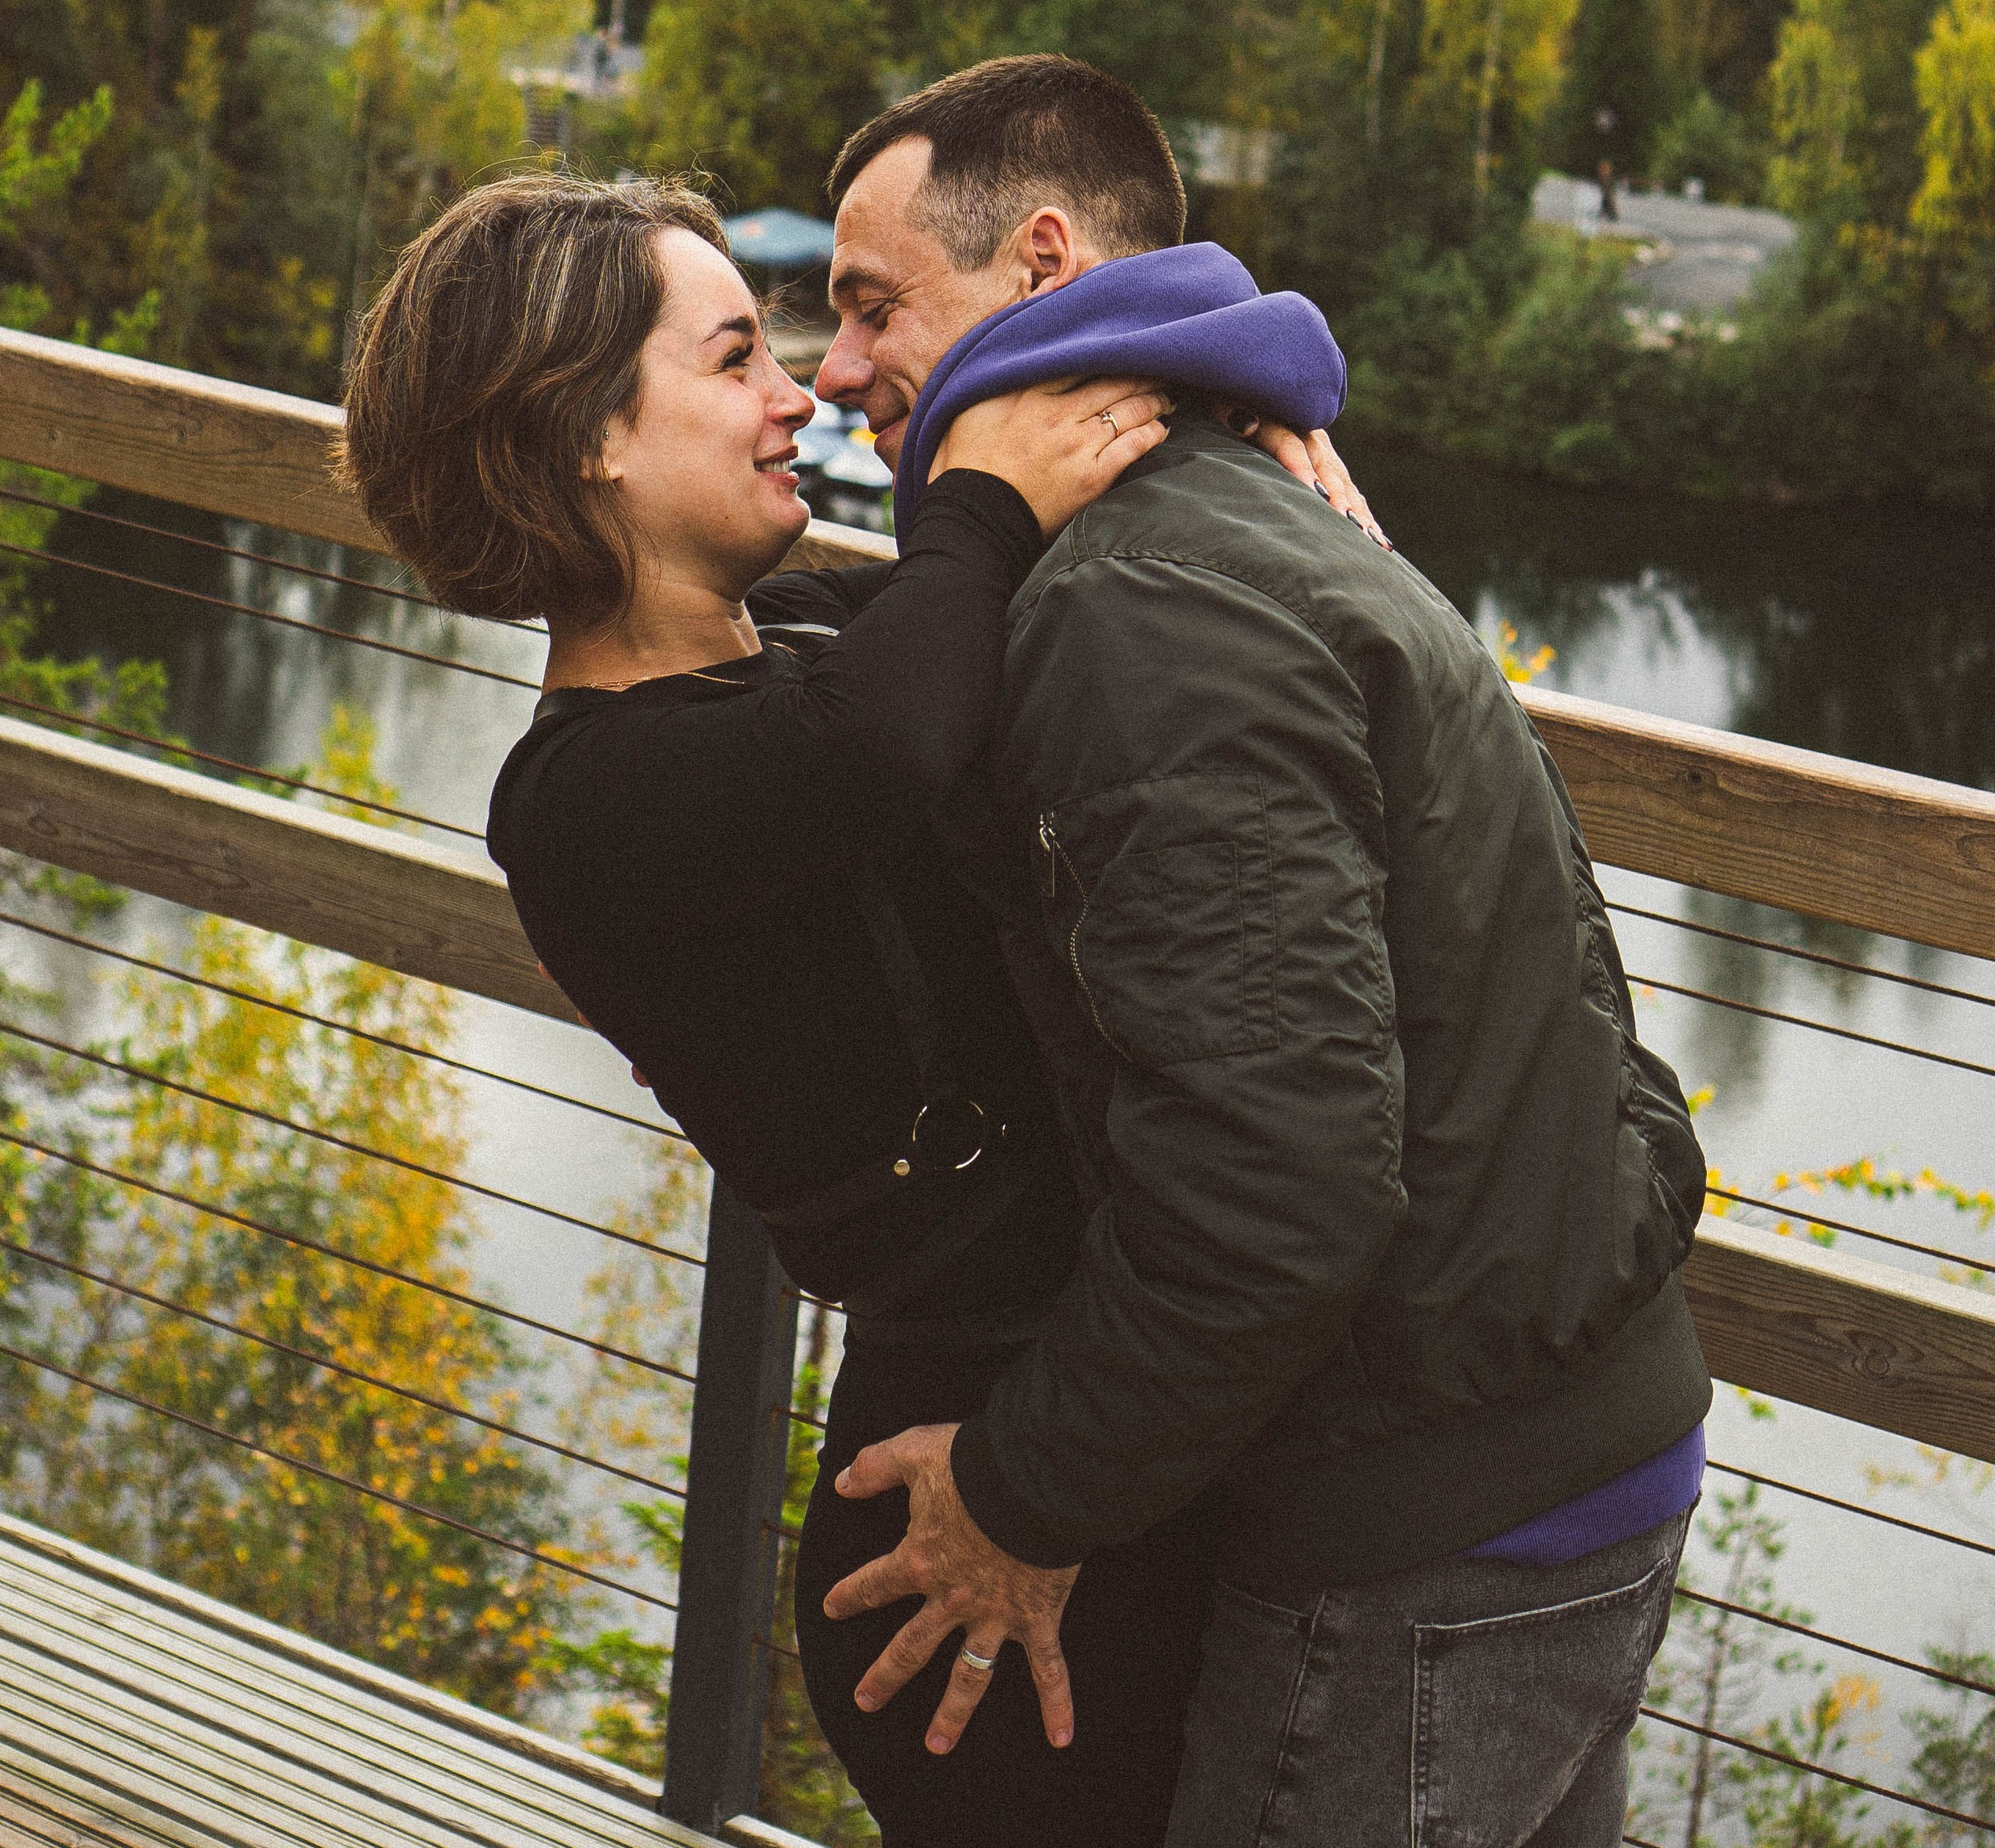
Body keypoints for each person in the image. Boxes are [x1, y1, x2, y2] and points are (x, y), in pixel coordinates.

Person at [337, 168, 1357, 1846]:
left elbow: (1018, 627)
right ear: (586, 434)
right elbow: (889, 734)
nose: (796, 394)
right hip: (961, 1525)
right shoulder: (585, 796)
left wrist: (1250, 460)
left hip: (1070, 1450)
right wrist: (967, 500)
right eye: (735, 357)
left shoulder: (800, 627)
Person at [809, 56, 1712, 1848]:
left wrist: (1020, 1494)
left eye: (868, 304)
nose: (833, 370)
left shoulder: (1142, 609)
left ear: (1040, 261)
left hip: (1422, 1527)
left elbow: (1273, 1179)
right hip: (1536, 1449)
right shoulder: (1241, 515)